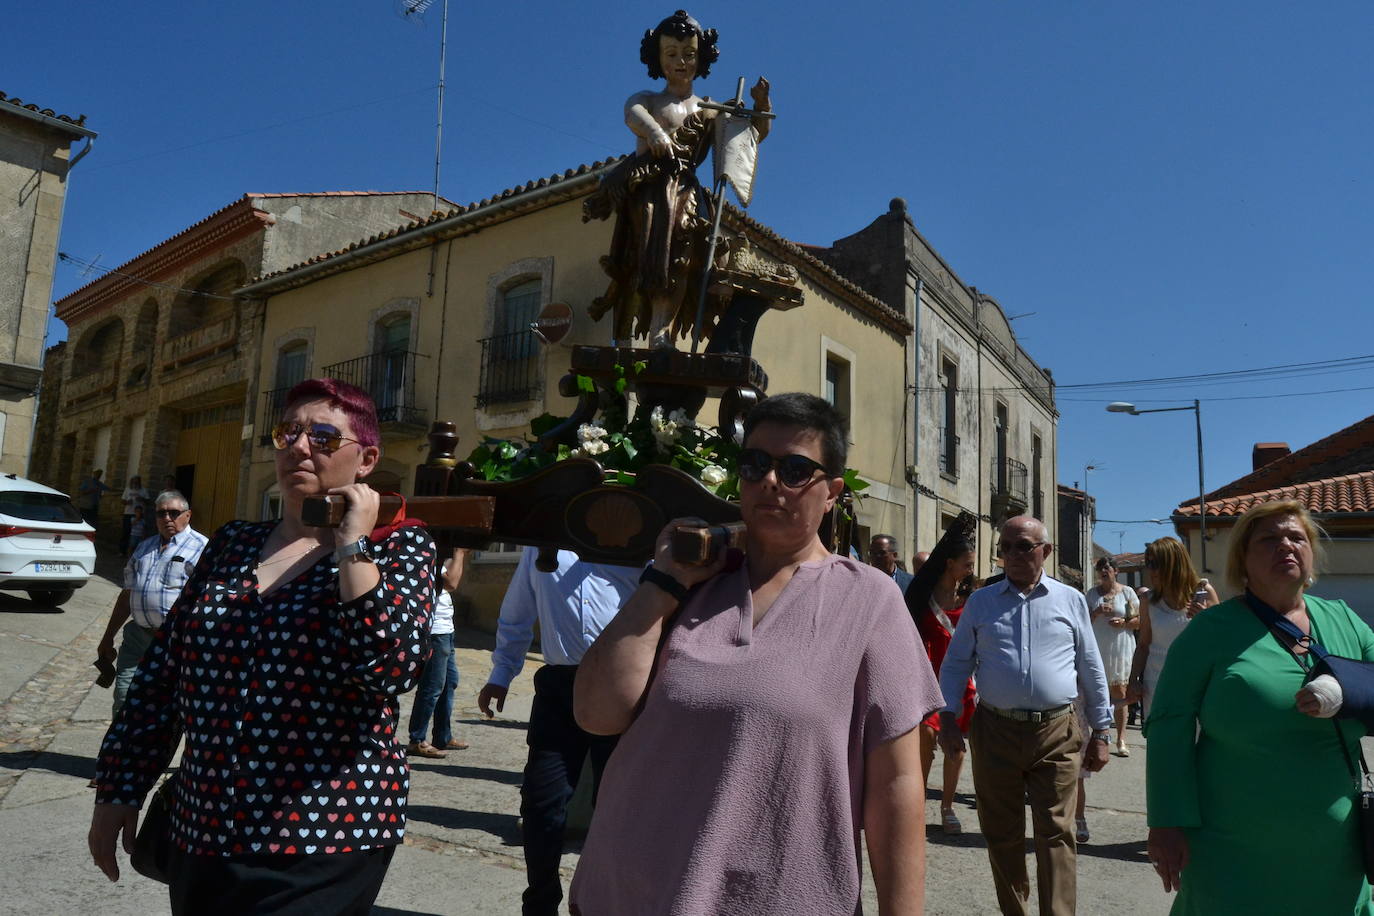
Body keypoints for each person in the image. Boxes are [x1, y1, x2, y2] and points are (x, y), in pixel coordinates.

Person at [570, 392, 942, 915]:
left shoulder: (868, 599)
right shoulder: (692, 583)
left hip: (776, 898)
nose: (770, 481)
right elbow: (597, 713)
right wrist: (662, 582)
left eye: (794, 470)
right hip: (630, 889)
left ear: (832, 491)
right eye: (755, 465)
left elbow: (898, 784)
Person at [87, 378, 436, 914]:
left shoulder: (399, 547)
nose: (299, 446)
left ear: (365, 459)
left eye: (323, 436)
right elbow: (164, 672)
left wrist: (352, 544)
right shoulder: (233, 542)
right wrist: (121, 784)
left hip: (324, 831)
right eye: (289, 432)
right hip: (203, 826)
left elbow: (389, 669)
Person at [1146, 499, 1374, 913]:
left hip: (1334, 845)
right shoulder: (1209, 632)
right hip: (1232, 844)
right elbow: (1168, 726)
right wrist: (1166, 821)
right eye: (1269, 539)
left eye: (1296, 537)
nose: (1285, 545)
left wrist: (1341, 692)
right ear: (1243, 561)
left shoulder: (1342, 619)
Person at [938, 515, 1112, 916]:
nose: (1012, 555)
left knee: (1056, 833)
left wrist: (1101, 730)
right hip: (995, 729)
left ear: (1045, 551)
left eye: (1023, 546)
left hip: (1056, 731)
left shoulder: (1070, 600)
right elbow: (955, 664)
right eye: (1005, 547)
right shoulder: (982, 602)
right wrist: (948, 716)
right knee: (1002, 833)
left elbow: (1091, 666)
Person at [585, 10, 771, 348]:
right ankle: (628, 334)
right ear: (658, 58)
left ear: (701, 58)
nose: (681, 61)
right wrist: (655, 133)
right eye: (671, 54)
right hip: (650, 189)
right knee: (646, 257)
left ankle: (662, 329)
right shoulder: (649, 99)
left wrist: (761, 104)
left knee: (684, 256)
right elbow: (633, 114)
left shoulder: (710, 108)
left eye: (689, 53)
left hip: (686, 190)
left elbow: (750, 135)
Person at [477, 547, 639, 916]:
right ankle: (540, 903)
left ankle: (604, 903)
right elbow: (518, 610)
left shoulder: (638, 536)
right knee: (542, 802)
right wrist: (501, 674)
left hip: (623, 687)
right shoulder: (542, 544)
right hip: (559, 687)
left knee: (616, 808)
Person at [94, 490, 208, 717]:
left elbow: (210, 602)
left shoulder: (203, 549)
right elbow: (127, 594)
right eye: (161, 513)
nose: (167, 518)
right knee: (124, 697)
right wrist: (108, 637)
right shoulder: (144, 548)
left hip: (176, 642)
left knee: (168, 708)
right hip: (137, 638)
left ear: (188, 515)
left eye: (174, 513)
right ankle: (120, 751)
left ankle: (147, 750)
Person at [905, 514, 977, 835]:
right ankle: (917, 802)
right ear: (950, 563)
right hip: (927, 672)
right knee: (927, 736)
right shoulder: (924, 595)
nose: (972, 568)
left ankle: (947, 807)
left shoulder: (973, 596)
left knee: (957, 745)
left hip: (960, 676)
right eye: (967, 563)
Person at [1125, 537, 1218, 718]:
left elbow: (1221, 642)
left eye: (1155, 564)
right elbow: (1143, 644)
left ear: (1173, 564)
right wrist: (1133, 679)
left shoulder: (1204, 592)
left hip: (1198, 684)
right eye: (1148, 563)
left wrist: (1204, 619)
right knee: (1161, 742)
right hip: (1157, 684)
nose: (1150, 569)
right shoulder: (1148, 601)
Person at [407, 548, 470, 758]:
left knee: (449, 682)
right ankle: (416, 739)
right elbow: (451, 583)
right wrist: (459, 553)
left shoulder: (436, 557)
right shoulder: (423, 555)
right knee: (432, 686)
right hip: (434, 632)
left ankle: (442, 736)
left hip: (446, 630)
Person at [1087, 556, 1139, 756]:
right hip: (1098, 647)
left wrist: (1124, 623)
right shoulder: (1092, 594)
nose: (1103, 572)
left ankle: (1121, 739)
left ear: (1116, 571)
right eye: (1100, 568)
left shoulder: (1127, 593)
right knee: (1097, 693)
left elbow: (1138, 621)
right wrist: (1097, 612)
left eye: (1107, 568)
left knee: (1119, 693)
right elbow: (1082, 622)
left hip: (1120, 647)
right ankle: (1099, 736)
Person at [119, 475, 150, 555]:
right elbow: (122, 501)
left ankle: (137, 552)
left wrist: (142, 499)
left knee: (139, 533)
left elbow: (148, 501)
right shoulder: (128, 489)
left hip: (140, 514)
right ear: (132, 482)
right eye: (134, 481)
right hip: (128, 513)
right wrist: (127, 502)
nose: (135, 483)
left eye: (137, 481)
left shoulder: (143, 490)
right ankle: (122, 551)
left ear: (139, 482)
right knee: (126, 532)